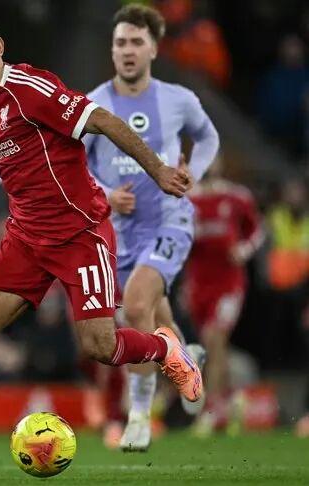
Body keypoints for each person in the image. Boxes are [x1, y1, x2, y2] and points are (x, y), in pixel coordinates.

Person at [0, 13, 202, 480]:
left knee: (100, 346)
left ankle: (165, 349)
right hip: (26, 239)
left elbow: (101, 120)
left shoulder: (29, 89)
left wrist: (157, 170)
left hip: (80, 234)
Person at [84, 4, 219, 451]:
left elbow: (208, 137)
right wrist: (105, 193)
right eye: (120, 42)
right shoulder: (93, 104)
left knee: (136, 306)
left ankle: (139, 415)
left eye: (136, 42)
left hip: (168, 220)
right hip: (119, 232)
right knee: (154, 318)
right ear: (112, 50)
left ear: (154, 49)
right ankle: (186, 355)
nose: (128, 50)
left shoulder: (178, 99)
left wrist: (193, 171)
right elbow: (75, 165)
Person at [185, 157, 263, 436]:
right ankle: (233, 398)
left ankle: (210, 412)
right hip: (199, 284)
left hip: (229, 283)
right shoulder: (188, 200)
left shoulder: (237, 196)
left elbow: (257, 230)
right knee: (212, 346)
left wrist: (243, 250)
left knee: (214, 339)